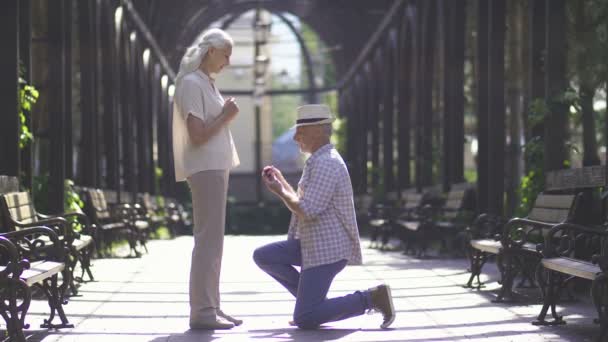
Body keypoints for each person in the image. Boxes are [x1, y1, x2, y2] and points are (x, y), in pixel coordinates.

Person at [253, 104, 396, 329]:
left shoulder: (327, 164)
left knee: (305, 318)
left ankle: (372, 298)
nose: (295, 137)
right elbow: (304, 203)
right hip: (311, 245)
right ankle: (312, 304)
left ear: (318, 131)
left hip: (326, 251)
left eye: (300, 131)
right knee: (264, 256)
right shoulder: (318, 160)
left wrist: (279, 192)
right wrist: (282, 184)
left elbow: (307, 210)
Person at [172, 28, 242, 330]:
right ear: (210, 51)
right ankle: (202, 311)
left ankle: (211, 306)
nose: (228, 61)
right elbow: (198, 135)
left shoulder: (205, 84)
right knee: (208, 242)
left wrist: (223, 113)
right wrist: (226, 116)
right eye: (225, 54)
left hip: (214, 168)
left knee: (213, 242)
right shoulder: (191, 84)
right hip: (206, 168)